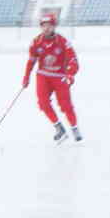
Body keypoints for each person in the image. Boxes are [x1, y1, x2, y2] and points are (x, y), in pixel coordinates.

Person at [22, 13, 81, 143]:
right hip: (43, 75)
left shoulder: (63, 42)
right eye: (44, 26)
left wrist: (70, 74)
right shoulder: (36, 42)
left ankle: (74, 127)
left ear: (54, 26)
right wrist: (26, 77)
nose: (46, 28)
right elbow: (31, 61)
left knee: (65, 105)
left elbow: (74, 61)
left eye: (49, 25)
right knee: (43, 103)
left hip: (59, 76)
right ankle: (59, 127)